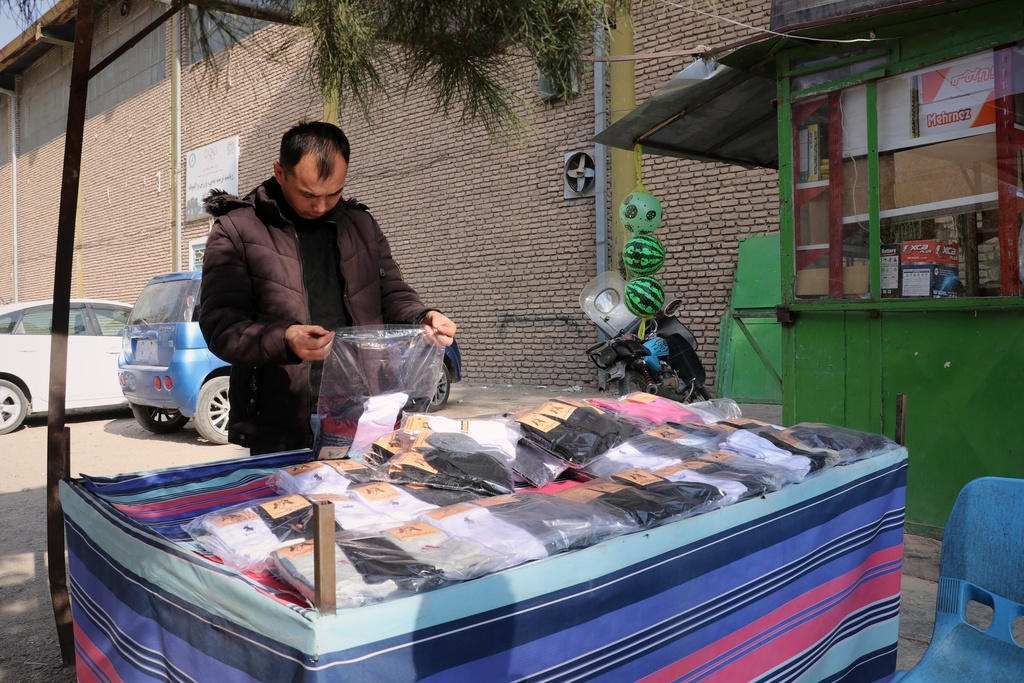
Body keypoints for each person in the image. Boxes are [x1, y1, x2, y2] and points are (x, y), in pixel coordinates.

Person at [199, 121, 456, 455]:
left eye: (333, 193)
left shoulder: (360, 224)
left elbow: (390, 289)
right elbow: (222, 325)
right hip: (282, 418)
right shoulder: (237, 229)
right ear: (280, 172)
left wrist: (423, 315)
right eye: (308, 194)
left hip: (366, 412)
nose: (320, 206)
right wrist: (284, 338)